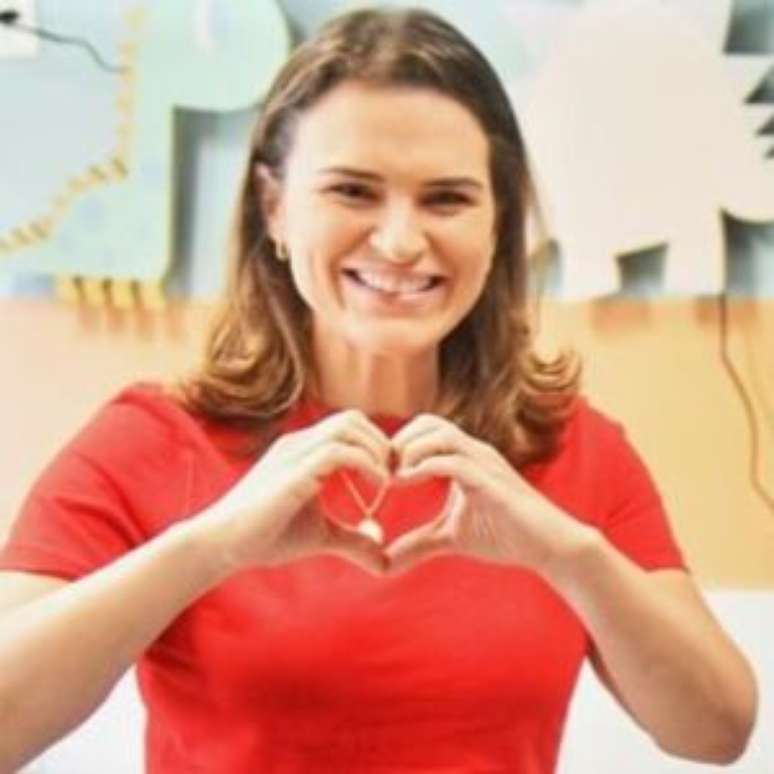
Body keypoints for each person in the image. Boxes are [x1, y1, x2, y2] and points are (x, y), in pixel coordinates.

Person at [0, 7, 758, 773]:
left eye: (447, 199)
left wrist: (568, 554)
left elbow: (716, 729)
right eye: (353, 191)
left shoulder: (575, 450)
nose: (399, 241)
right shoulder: (152, 441)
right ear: (274, 207)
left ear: (499, 223)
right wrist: (210, 547)